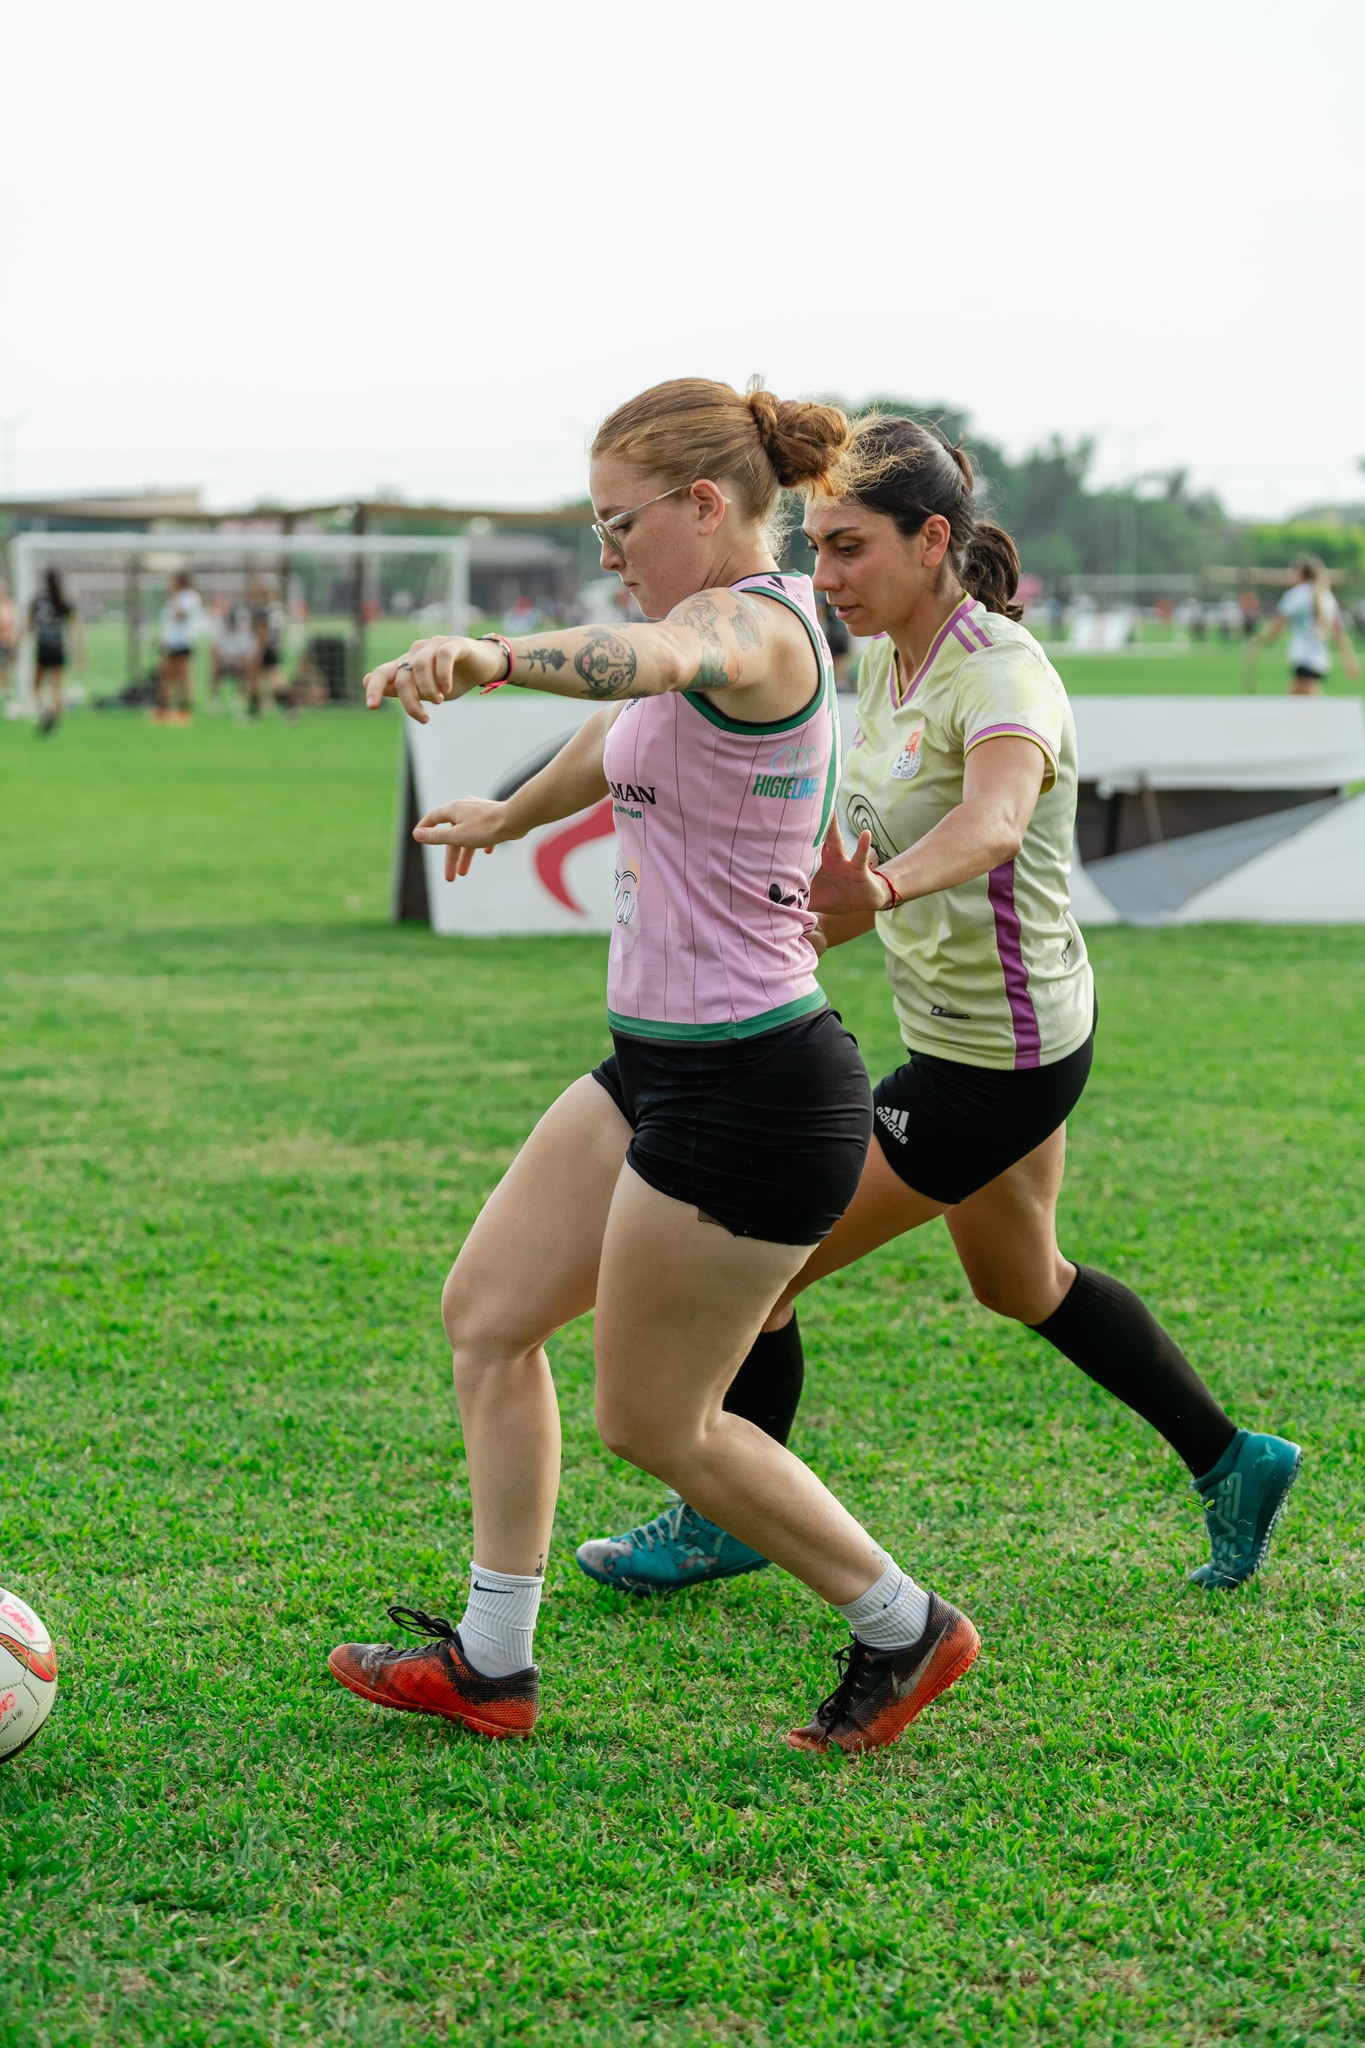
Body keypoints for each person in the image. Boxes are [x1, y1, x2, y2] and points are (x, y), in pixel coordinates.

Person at [327, 379, 981, 1755]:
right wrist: (508, 811)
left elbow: (648, 667)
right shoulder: (703, 627)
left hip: (757, 1090)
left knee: (658, 1423)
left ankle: (904, 1625)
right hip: (658, 1069)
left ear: (704, 504)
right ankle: (491, 1661)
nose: (608, 550)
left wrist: (494, 655)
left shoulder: (749, 624)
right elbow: (623, 724)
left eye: (621, 523)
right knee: (489, 1316)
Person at [577, 414, 1303, 1600]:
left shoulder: (1004, 669)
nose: (826, 577)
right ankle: (1235, 1456)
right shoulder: (878, 659)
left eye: (852, 549)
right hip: (1003, 1037)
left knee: (763, 1264)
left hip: (995, 1063)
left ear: (933, 540)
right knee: (1021, 1282)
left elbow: (998, 817)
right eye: (816, 547)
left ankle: (723, 1515)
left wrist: (886, 888)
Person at [1247, 555, 1360, 695]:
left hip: (1304, 656)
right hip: (1320, 658)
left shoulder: (1296, 596)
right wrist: (1349, 659)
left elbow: (1277, 627)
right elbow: (1339, 633)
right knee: (1306, 703)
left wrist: (1258, 642)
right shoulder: (1327, 596)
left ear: (1300, 573)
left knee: (1299, 707)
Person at [26, 569, 84, 736]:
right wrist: (80, 653)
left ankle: (45, 710)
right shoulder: (64, 601)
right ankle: (55, 723)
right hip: (58, 647)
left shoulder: (38, 600)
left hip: (43, 646)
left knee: (36, 686)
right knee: (57, 687)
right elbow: (75, 628)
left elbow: (29, 626)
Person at [156, 571, 201, 722]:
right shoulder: (173, 598)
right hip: (171, 642)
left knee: (184, 677)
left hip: (183, 642)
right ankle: (164, 708)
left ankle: (185, 709)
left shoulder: (189, 597)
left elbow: (179, 615)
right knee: (166, 675)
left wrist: (173, 595)